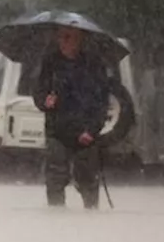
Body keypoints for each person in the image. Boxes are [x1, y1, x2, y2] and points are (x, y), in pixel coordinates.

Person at [32, 26, 111, 209]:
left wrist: (92, 130)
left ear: (79, 39)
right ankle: (57, 218)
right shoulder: (50, 63)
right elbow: (38, 91)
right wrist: (45, 101)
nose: (64, 41)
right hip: (57, 130)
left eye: (68, 37)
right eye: (60, 37)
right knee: (55, 176)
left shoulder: (93, 64)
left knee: (88, 179)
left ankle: (91, 217)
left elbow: (101, 102)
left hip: (85, 132)